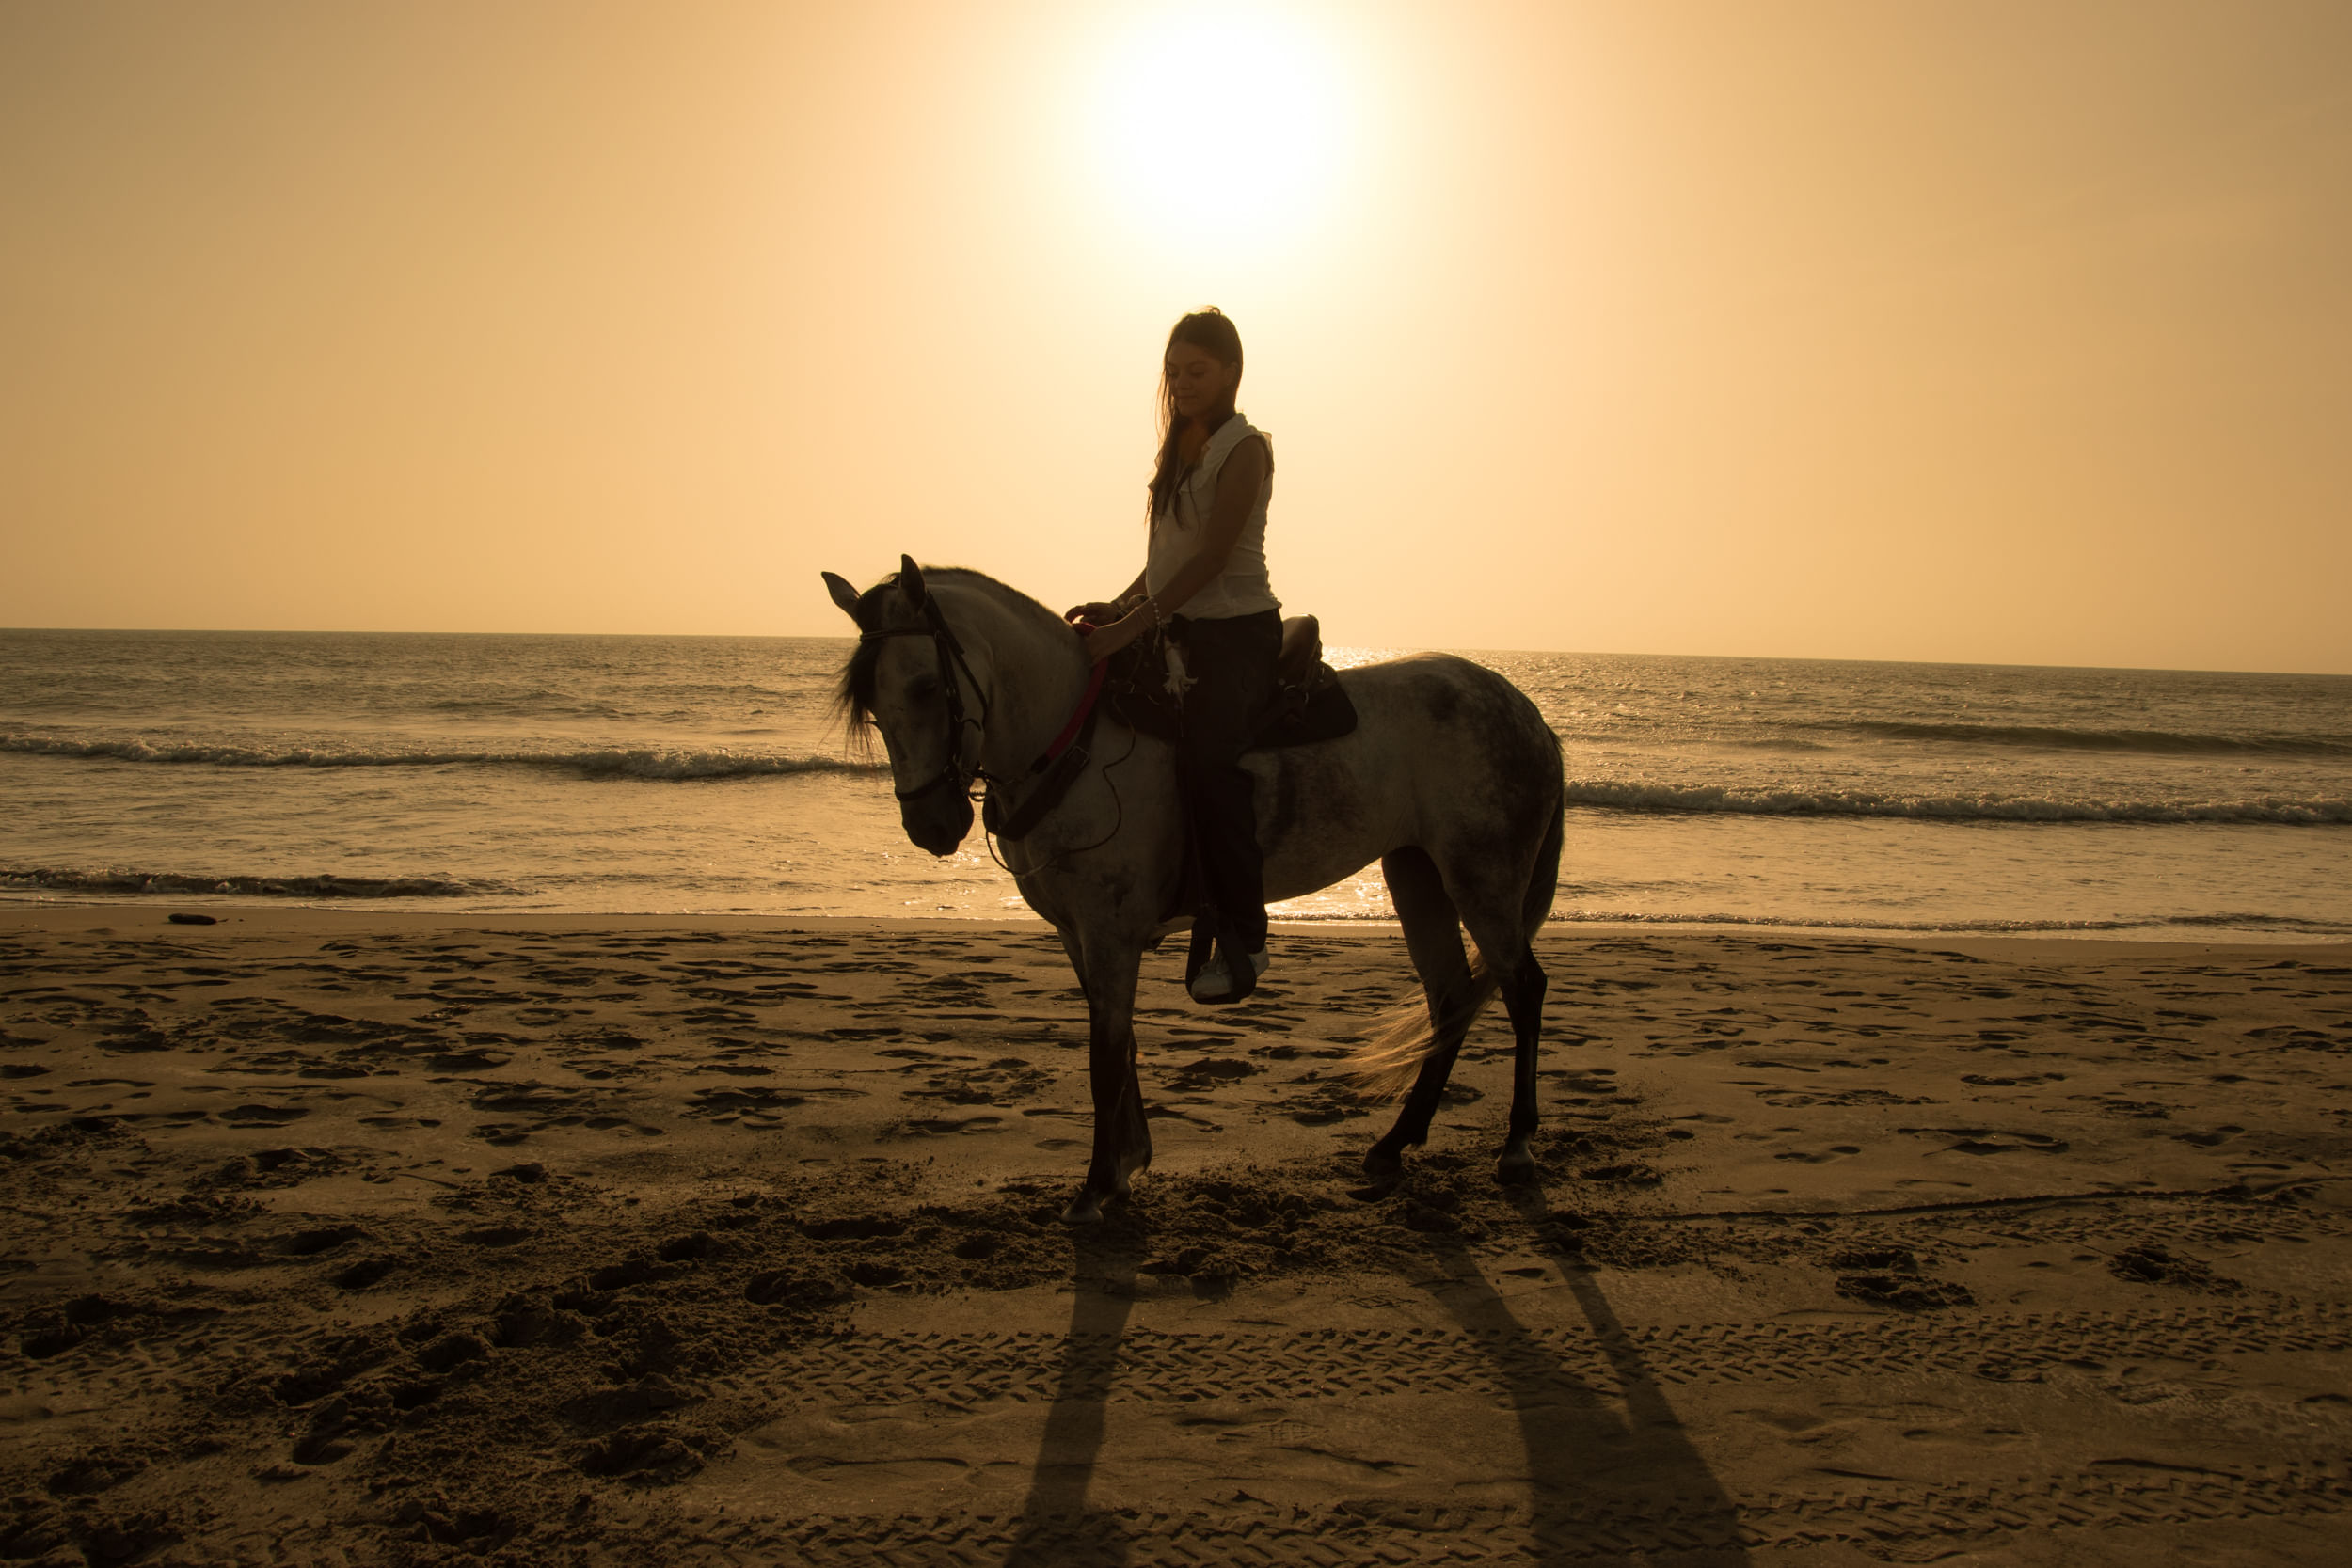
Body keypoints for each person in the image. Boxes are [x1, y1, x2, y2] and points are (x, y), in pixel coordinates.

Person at [1071, 308, 1280, 1005]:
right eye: (1174, 372)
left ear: (1230, 373)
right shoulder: (1182, 448)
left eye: (1197, 371)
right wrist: (1118, 605)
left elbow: (1213, 560)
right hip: (1177, 626)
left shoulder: (1244, 450)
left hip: (1236, 634)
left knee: (1208, 760)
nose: (1184, 383)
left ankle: (1246, 935)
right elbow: (1165, 563)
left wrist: (1133, 627)